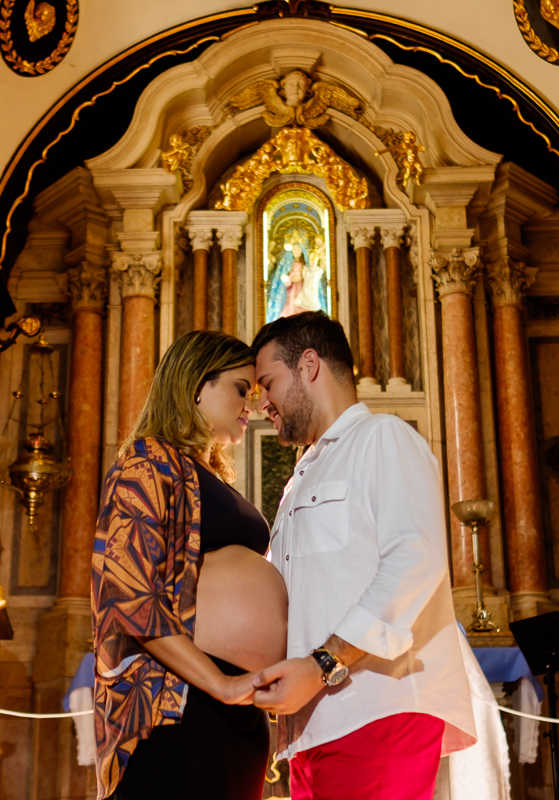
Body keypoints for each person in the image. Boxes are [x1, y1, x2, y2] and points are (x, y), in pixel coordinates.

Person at [249, 311, 476, 800]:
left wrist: (322, 663)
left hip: (378, 710)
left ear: (309, 364)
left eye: (268, 382)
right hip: (315, 726)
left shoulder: (382, 438)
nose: (260, 403)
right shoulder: (299, 479)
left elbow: (415, 558)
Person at [90, 330, 288, 800]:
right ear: (198, 384)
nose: (252, 405)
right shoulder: (146, 462)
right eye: (242, 389)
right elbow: (126, 594)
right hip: (179, 704)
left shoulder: (207, 475)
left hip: (235, 710)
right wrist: (218, 681)